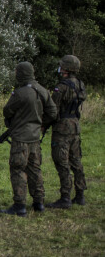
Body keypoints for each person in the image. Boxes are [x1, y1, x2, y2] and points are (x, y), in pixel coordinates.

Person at [0, 62, 57, 217]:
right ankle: (39, 202)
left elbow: (7, 111)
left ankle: (19, 205)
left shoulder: (20, 93)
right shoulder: (43, 91)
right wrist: (42, 125)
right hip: (35, 138)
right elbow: (53, 113)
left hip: (20, 138)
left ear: (21, 74)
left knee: (18, 169)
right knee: (35, 169)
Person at [45, 55, 87, 208]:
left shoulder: (61, 87)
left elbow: (52, 110)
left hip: (62, 127)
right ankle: (80, 194)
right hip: (75, 125)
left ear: (66, 69)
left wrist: (44, 125)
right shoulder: (80, 85)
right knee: (76, 160)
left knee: (62, 161)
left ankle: (65, 197)